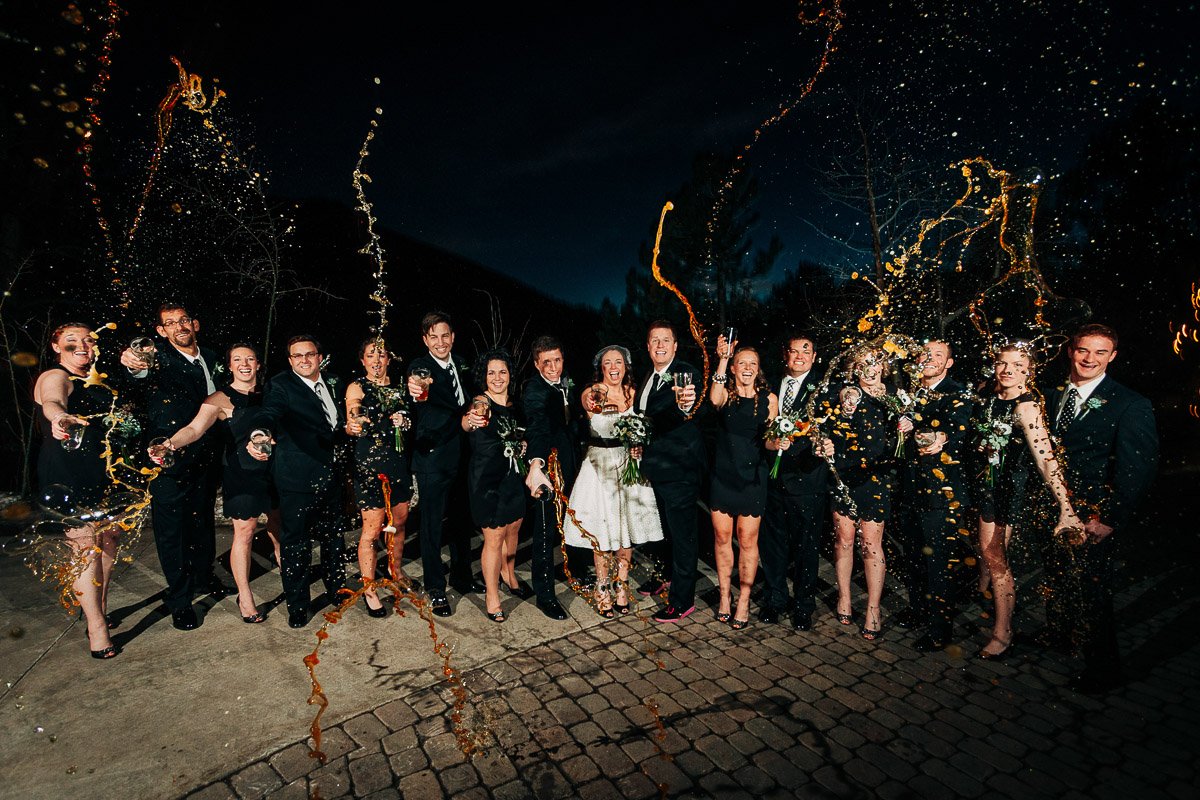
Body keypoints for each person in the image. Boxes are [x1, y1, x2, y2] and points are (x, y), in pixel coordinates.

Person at [1048, 324, 1157, 692]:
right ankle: (1060, 637)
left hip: (1093, 513)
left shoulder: (1129, 403)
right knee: (1058, 577)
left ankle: (1103, 670)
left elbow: (1137, 469)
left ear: (1112, 357)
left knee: (1093, 591)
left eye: (1099, 352)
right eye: (1083, 350)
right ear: (1071, 351)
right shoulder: (1053, 394)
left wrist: (1109, 518)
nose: (1089, 359)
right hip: (1053, 509)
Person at [154, 343, 282, 624]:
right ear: (230, 365)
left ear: (258, 364)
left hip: (276, 470)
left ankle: (288, 572)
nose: (244, 364)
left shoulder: (272, 393)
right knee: (245, 532)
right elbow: (194, 429)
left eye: (250, 358)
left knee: (279, 524)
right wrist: (170, 444)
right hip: (242, 473)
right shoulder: (219, 399)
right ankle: (245, 596)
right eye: (238, 359)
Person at [119, 303, 229, 631]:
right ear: (161, 331)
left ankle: (204, 576)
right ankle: (180, 601)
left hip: (207, 456)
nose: (179, 327)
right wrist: (133, 364)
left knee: (202, 520)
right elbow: (137, 371)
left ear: (195, 324)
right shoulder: (158, 357)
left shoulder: (212, 356)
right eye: (170, 323)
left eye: (183, 320)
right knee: (172, 532)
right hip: (167, 456)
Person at [972, 341, 1084, 660]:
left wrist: (1066, 508)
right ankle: (982, 591)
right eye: (1003, 363)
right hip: (985, 487)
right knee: (987, 554)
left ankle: (1002, 632)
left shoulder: (1026, 407)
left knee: (996, 558)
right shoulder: (991, 399)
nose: (1008, 370)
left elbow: (1047, 460)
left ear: (1030, 371)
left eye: (1018, 365)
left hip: (1007, 492)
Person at [248, 334, 348, 628]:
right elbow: (269, 412)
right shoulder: (281, 385)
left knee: (333, 537)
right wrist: (260, 433)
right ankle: (298, 605)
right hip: (296, 477)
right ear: (290, 360)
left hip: (331, 474)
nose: (304, 360)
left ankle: (337, 590)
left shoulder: (333, 382)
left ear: (319, 357)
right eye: (297, 356)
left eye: (309, 354)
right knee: (296, 544)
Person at [34, 323, 120, 658]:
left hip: (101, 469)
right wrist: (59, 417)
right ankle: (97, 629)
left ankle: (99, 607)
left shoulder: (97, 379)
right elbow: (52, 400)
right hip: (67, 472)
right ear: (56, 347)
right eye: (71, 341)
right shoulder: (55, 376)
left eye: (88, 340)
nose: (82, 345)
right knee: (85, 547)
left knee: (109, 539)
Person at [563, 345, 664, 618]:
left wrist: (639, 444)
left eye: (618, 362)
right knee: (603, 533)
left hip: (628, 465)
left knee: (624, 532)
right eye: (607, 363)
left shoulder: (634, 393)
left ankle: (622, 586)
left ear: (625, 365)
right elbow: (589, 402)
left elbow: (645, 426)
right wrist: (595, 398)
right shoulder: (593, 391)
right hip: (599, 467)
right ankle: (602, 588)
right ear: (601, 367)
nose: (613, 367)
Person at [894, 340, 975, 651]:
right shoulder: (911, 393)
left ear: (949, 363)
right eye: (924, 354)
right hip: (911, 489)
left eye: (937, 355)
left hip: (942, 493)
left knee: (939, 562)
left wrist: (938, 437)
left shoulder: (957, 393)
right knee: (914, 557)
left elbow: (958, 430)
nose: (929, 359)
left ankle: (940, 630)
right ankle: (918, 610)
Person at [825, 347, 910, 641]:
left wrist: (908, 426)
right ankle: (844, 597)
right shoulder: (845, 395)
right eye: (862, 364)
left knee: (871, 544)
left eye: (875, 363)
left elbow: (908, 432)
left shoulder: (896, 398)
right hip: (844, 475)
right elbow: (829, 418)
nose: (869, 369)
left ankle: (873, 608)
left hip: (876, 477)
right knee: (844, 540)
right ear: (854, 368)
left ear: (883, 366)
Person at [405, 312, 479, 617]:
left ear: (453, 337)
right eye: (433, 337)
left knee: (462, 520)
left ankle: (462, 576)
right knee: (432, 525)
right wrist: (415, 386)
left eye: (445, 335)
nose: (440, 342)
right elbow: (417, 382)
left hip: (463, 454)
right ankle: (435, 587)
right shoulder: (420, 367)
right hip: (433, 457)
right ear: (425, 340)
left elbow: (472, 396)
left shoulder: (461, 363)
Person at [759, 334, 830, 632]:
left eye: (805, 351)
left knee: (806, 549)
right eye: (793, 351)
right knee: (772, 546)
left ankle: (803, 605)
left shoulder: (824, 389)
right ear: (785, 355)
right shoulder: (770, 385)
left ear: (814, 357)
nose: (799, 356)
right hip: (773, 479)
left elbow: (829, 428)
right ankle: (775, 599)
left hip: (807, 479)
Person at [636, 321, 705, 623]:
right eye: (655, 340)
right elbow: (643, 417)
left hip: (680, 470)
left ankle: (682, 600)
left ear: (675, 346)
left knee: (682, 537)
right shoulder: (648, 377)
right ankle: (665, 577)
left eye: (666, 340)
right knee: (664, 531)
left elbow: (683, 404)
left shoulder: (684, 374)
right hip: (657, 469)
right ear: (648, 346)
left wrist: (685, 403)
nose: (660, 345)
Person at [708, 337, 778, 630]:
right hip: (723, 477)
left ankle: (745, 599)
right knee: (722, 538)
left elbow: (770, 442)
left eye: (753, 364)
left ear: (758, 369)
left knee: (748, 540)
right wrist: (723, 358)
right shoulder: (725, 394)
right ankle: (725, 596)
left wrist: (779, 442)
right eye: (742, 363)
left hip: (753, 479)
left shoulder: (769, 400)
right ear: (734, 368)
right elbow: (713, 399)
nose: (747, 368)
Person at [344, 338, 414, 619]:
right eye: (370, 355)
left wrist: (404, 422)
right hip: (370, 467)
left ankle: (395, 571)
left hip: (398, 464)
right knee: (372, 530)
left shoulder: (400, 389)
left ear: (388, 359)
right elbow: (353, 413)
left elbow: (410, 420)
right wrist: (354, 422)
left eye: (381, 354)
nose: (376, 360)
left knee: (399, 522)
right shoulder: (357, 386)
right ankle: (369, 588)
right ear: (362, 360)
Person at [461, 350, 528, 622]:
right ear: (484, 377)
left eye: (502, 372)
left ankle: (509, 574)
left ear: (510, 375)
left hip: (512, 477)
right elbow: (468, 421)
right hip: (487, 480)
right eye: (491, 373)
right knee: (494, 537)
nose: (497, 377)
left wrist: (523, 444)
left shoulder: (515, 405)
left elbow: (521, 434)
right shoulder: (481, 402)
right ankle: (492, 595)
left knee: (513, 528)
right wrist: (471, 419)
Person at [522, 336, 578, 621]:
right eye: (546, 362)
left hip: (572, 463)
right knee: (545, 530)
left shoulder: (567, 382)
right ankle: (545, 596)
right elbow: (538, 425)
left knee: (571, 521)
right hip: (548, 466)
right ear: (536, 364)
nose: (553, 367)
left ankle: (576, 571)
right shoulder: (534, 390)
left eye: (557, 360)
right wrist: (537, 464)